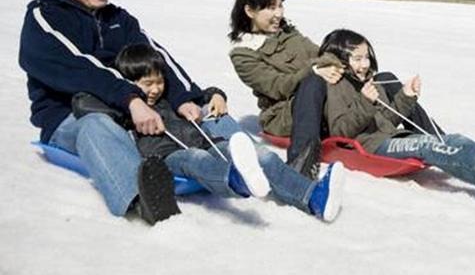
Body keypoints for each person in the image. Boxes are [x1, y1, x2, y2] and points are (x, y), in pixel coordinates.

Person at [18, 0, 217, 224]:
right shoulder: (44, 17)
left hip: (128, 110)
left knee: (199, 114)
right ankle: (143, 199)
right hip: (69, 117)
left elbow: (157, 57)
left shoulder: (119, 19)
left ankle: (232, 166)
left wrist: (185, 99)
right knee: (97, 125)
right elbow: (80, 66)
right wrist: (131, 98)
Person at [74, 43, 346, 222]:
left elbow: (202, 94)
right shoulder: (126, 109)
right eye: (148, 84)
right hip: (168, 156)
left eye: (159, 82)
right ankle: (236, 179)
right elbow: (85, 104)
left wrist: (216, 94)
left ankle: (313, 196)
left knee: (259, 154)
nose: (155, 89)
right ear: (129, 84)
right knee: (195, 158)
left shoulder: (169, 97)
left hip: (206, 140)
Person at [228, 0, 442, 178]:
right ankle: (303, 161)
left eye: (280, 6)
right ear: (249, 11)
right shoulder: (243, 54)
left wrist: (348, 65)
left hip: (322, 100)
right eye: (270, 8)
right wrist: (313, 71)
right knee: (314, 82)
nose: (278, 14)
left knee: (385, 78)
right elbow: (278, 87)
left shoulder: (288, 33)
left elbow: (322, 54)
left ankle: (439, 141)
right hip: (285, 113)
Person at [319, 29, 475, 193]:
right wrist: (364, 102)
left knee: (451, 141)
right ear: (341, 60)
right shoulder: (336, 86)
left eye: (366, 57)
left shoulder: (368, 84)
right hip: (373, 146)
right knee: (436, 146)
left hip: (390, 138)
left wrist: (405, 97)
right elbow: (341, 130)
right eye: (357, 58)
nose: (365, 64)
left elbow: (385, 119)